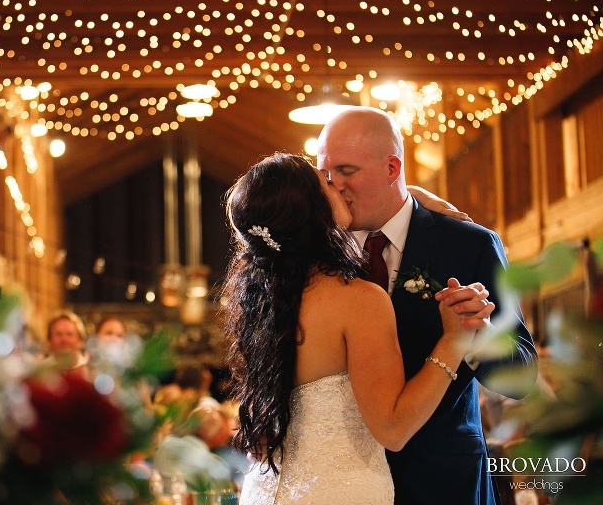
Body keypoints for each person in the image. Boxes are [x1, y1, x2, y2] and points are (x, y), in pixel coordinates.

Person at [223, 153, 495, 504]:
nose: (337, 185)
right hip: (342, 491)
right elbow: (393, 430)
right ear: (313, 207)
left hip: (267, 490)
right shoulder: (357, 299)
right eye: (325, 181)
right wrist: (453, 341)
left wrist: (415, 198)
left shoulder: (261, 303)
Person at [316, 106, 538, 505]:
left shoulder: (468, 244)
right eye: (326, 173)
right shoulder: (316, 256)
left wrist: (479, 335)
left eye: (347, 171)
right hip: (344, 482)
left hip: (445, 481)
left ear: (391, 168)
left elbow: (522, 375)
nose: (335, 185)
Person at [42, 310, 90, 379]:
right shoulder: (39, 374)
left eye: (70, 334)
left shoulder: (90, 374)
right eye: (58, 334)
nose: (64, 340)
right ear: (49, 340)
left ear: (80, 341)